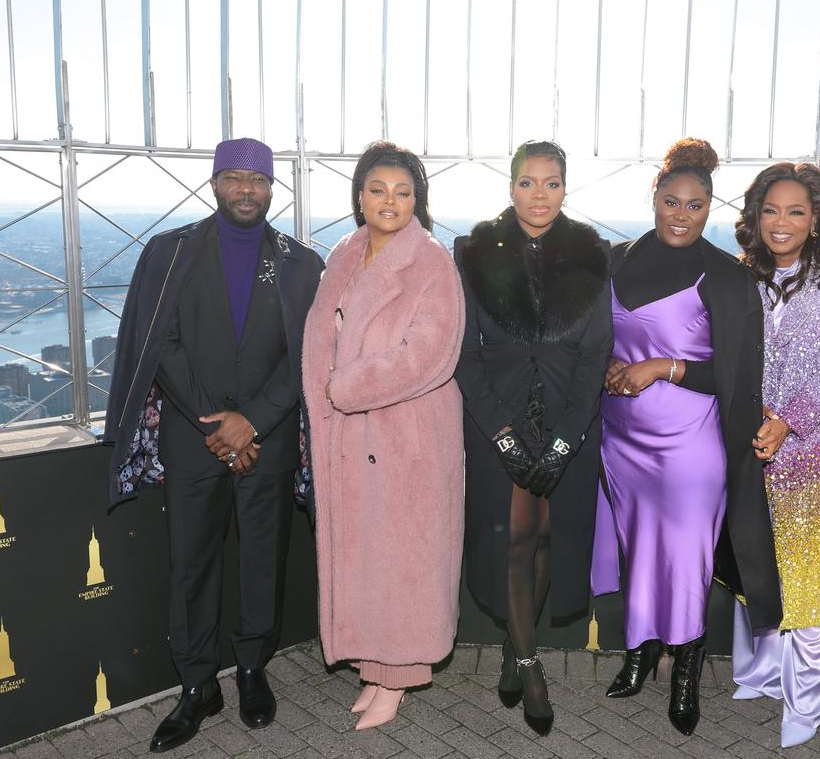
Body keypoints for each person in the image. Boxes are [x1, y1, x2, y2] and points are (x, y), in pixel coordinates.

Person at [104, 138, 324, 753]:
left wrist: (251, 422)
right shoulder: (169, 254)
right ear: (214, 183)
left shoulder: (301, 264)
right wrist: (215, 425)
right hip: (191, 437)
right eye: (234, 177)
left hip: (270, 440)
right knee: (191, 565)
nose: (246, 190)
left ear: (273, 188)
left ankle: (253, 671)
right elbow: (160, 344)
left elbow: (306, 357)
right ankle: (198, 686)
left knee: (263, 563)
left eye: (257, 180)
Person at [590, 138, 782, 736]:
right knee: (637, 549)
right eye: (671, 201)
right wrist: (602, 367)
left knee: (686, 560)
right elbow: (590, 337)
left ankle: (685, 673)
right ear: (654, 198)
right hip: (621, 438)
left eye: (695, 206)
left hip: (690, 442)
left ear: (710, 208)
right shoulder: (614, 260)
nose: (681, 214)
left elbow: (737, 377)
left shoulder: (727, 277)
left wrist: (662, 367)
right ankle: (643, 652)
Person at [301, 141, 465, 731]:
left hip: (408, 438)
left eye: (402, 191)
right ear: (359, 196)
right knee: (368, 558)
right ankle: (374, 668)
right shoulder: (344, 255)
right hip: (350, 440)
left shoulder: (432, 263)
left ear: (418, 199)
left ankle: (399, 677)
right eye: (377, 190)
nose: (389, 201)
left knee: (405, 561)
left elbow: (428, 355)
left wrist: (343, 387)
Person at [454, 140, 611, 735]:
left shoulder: (593, 256)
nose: (538, 194)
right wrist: (503, 436)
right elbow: (465, 356)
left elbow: (598, 352)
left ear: (565, 188)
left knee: (548, 540)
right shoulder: (473, 254)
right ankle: (528, 660)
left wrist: (569, 439)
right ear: (510, 185)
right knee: (515, 540)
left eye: (550, 183)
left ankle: (515, 646)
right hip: (499, 421)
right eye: (527, 182)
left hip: (571, 421)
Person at [731, 162, 820, 748]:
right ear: (755, 217)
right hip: (755, 449)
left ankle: (809, 704)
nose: (781, 222)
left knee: (818, 582)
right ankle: (762, 675)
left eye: (795, 211)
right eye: (770, 210)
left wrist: (791, 419)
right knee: (758, 570)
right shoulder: (746, 276)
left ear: (817, 218)